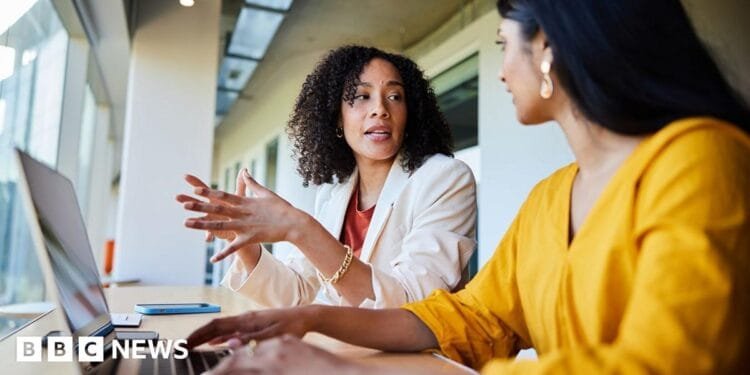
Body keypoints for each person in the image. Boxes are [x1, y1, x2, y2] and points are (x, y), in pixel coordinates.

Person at [184, 0, 750, 374]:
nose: (501, 70)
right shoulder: (551, 197)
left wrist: (344, 367)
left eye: (503, 44)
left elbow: (661, 363)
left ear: (548, 47)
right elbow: (473, 319)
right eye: (359, 98)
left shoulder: (699, 160)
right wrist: (309, 319)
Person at [177, 45, 477, 309]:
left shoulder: (445, 178)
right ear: (336, 117)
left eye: (395, 96)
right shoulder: (335, 193)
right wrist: (244, 244)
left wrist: (301, 229)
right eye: (362, 96)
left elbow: (414, 303)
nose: (380, 110)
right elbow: (298, 294)